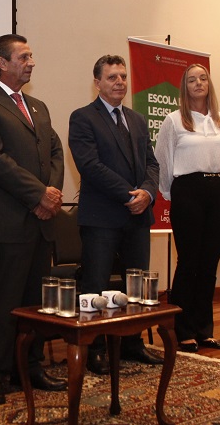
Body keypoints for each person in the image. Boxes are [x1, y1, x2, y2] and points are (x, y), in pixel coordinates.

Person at [0, 34, 68, 405]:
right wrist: (38, 194)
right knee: (2, 304)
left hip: (41, 222)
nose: (31, 62)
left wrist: (51, 194)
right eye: (24, 57)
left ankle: (31, 367)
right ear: (2, 63)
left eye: (31, 56)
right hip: (7, 222)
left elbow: (54, 152)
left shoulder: (38, 106)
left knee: (36, 303)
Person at [68, 55, 163, 375]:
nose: (120, 82)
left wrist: (148, 193)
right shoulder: (82, 118)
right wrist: (129, 196)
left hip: (138, 216)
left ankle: (133, 344)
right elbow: (90, 166)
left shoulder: (137, 119)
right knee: (94, 285)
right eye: (112, 77)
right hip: (102, 218)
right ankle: (94, 348)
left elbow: (152, 163)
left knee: (136, 284)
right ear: (97, 83)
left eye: (123, 76)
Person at [154, 63, 220, 355]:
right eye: (191, 80)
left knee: (209, 264)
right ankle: (183, 330)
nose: (198, 83)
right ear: (184, 87)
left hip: (219, 191)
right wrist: (169, 193)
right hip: (187, 191)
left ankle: (204, 329)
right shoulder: (174, 121)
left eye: (203, 78)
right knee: (189, 262)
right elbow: (163, 161)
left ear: (209, 84)